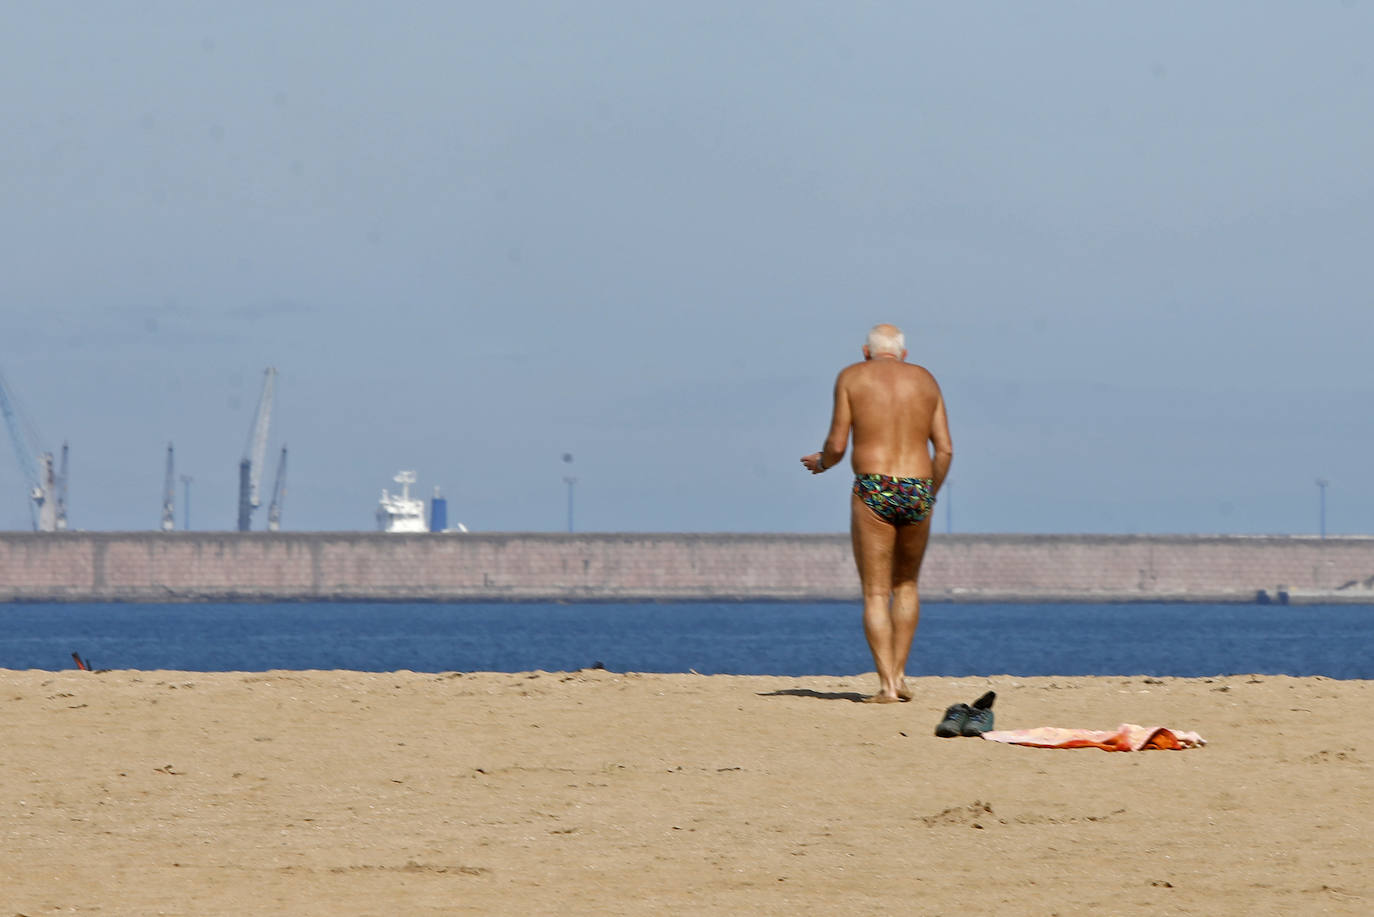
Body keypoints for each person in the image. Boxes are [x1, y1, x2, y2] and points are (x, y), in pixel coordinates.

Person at [800, 323, 953, 703]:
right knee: (907, 585)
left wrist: (822, 463)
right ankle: (900, 676)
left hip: (875, 486)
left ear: (865, 352)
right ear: (903, 354)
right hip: (918, 485)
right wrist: (929, 493)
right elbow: (945, 450)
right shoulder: (926, 380)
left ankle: (886, 685)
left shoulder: (853, 376)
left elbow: (837, 443)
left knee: (875, 592)